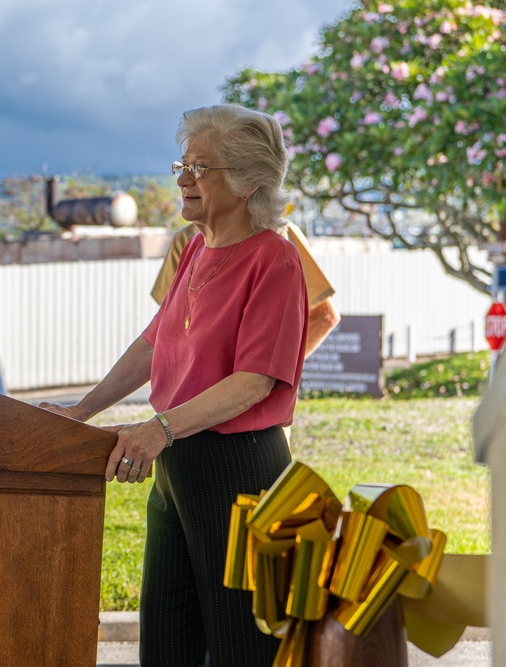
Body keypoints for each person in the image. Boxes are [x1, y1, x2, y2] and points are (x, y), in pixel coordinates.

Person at [41, 104, 308, 666]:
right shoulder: (192, 249)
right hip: (177, 462)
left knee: (243, 648)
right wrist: (80, 412)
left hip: (239, 467)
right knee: (165, 643)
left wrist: (158, 427)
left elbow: (254, 382)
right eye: (182, 165)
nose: (183, 179)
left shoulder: (275, 260)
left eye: (200, 168)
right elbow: (152, 342)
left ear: (248, 182)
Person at [152, 218, 340, 358]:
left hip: (252, 399)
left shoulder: (281, 234)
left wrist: (267, 378)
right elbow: (170, 329)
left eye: (201, 169)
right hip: (199, 398)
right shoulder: (186, 240)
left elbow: (324, 316)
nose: (184, 181)